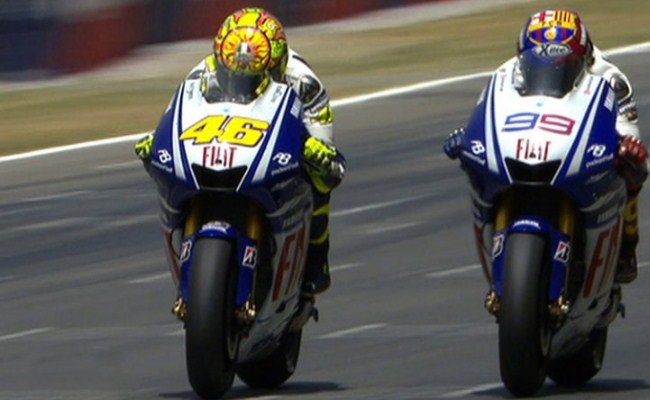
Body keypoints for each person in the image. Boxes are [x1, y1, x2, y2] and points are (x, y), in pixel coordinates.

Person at [135, 7, 345, 303]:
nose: (242, 79)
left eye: (255, 73)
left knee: (320, 180)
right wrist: (158, 141)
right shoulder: (202, 72)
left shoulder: (304, 83)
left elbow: (324, 139)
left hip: (278, 142)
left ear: (276, 64)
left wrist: (318, 152)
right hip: (225, 142)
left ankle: (317, 259)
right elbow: (180, 114)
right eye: (233, 73)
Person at [443, 9, 648, 283]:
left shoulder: (611, 79)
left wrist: (627, 147)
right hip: (531, 145)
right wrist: (469, 137)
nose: (551, 68)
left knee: (635, 170)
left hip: (581, 150)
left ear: (584, 56)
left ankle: (627, 247)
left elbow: (628, 129)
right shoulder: (507, 73)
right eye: (537, 61)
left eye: (563, 62)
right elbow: (489, 112)